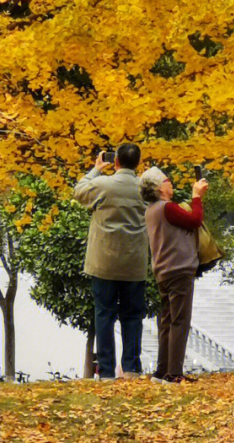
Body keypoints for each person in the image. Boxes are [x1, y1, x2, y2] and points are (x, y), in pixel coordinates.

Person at [74, 143, 149, 380]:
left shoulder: (102, 184)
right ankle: (131, 368)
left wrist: (96, 169)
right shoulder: (145, 189)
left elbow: (79, 191)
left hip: (103, 261)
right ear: (137, 163)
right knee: (133, 315)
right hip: (134, 261)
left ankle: (106, 370)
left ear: (115, 161)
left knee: (104, 314)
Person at [140, 167, 208, 383]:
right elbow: (195, 220)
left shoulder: (151, 210)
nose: (171, 184)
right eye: (167, 181)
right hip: (179, 268)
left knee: (167, 321)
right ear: (160, 188)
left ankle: (162, 371)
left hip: (163, 270)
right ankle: (174, 373)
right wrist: (197, 196)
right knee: (180, 320)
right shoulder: (167, 208)